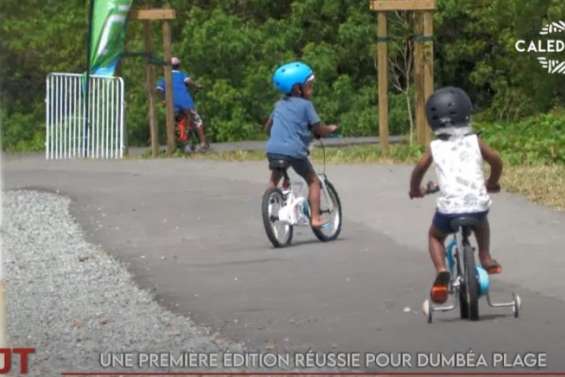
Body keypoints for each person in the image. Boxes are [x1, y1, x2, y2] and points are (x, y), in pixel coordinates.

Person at [409, 86, 503, 304]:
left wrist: (415, 189)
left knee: (435, 236)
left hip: (449, 210)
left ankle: (442, 270)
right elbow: (496, 160)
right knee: (482, 221)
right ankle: (486, 256)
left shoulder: (435, 147)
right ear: (467, 113)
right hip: (477, 205)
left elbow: (419, 169)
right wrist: (492, 182)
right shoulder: (475, 141)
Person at [265, 61, 338, 228]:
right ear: (298, 89)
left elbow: (268, 127)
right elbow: (318, 127)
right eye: (310, 85)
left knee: (274, 179)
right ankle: (315, 218)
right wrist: (330, 129)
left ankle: (268, 202)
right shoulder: (306, 105)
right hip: (294, 151)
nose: (311, 89)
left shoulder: (278, 105)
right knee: (313, 181)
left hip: (273, 149)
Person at [156, 57, 208, 152]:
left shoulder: (164, 78)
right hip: (186, 104)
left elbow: (159, 89)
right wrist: (197, 85)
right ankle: (203, 143)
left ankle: (184, 144)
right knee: (197, 121)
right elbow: (188, 81)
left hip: (173, 106)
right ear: (179, 66)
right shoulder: (182, 74)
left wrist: (163, 99)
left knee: (179, 123)